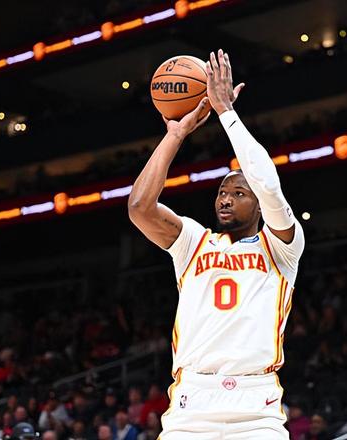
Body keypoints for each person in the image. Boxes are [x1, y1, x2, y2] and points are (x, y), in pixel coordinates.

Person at [128, 48, 305, 439]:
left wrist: (226, 112)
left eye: (238, 193)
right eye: (222, 192)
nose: (226, 199)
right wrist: (175, 136)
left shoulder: (281, 247)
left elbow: (268, 185)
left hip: (255, 406)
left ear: (258, 204)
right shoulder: (193, 242)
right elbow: (140, 207)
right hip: (192, 402)